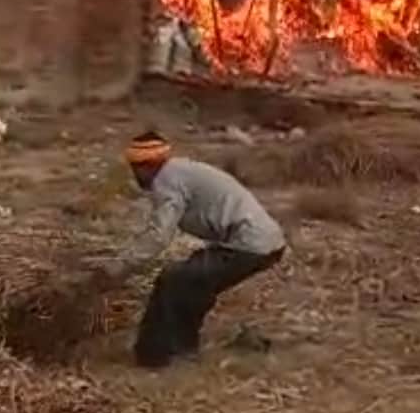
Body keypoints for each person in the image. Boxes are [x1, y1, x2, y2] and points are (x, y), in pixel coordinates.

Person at [100, 130, 286, 369]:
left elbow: (158, 236)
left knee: (173, 280)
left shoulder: (166, 180)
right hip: (264, 242)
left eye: (136, 168)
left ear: (146, 166)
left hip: (249, 244)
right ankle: (183, 351)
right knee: (192, 285)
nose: (135, 174)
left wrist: (117, 268)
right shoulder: (179, 171)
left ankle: (154, 358)